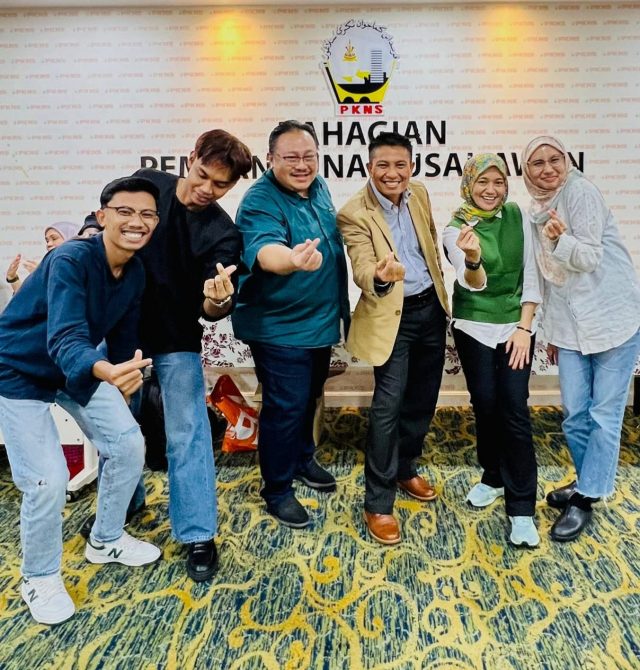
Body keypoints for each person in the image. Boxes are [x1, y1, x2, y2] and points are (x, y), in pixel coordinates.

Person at [0, 176, 162, 625]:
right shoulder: (70, 258)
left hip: (76, 368)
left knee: (127, 444)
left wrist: (128, 370)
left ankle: (106, 538)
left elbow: (125, 334)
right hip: (20, 369)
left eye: (147, 214)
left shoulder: (135, 271)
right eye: (125, 211)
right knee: (47, 480)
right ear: (103, 216)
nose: (136, 221)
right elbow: (66, 335)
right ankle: (39, 576)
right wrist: (105, 370)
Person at [129, 129, 252, 581]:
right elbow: (103, 221)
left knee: (188, 434)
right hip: (121, 330)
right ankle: (123, 504)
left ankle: (199, 533)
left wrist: (219, 300)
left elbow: (212, 308)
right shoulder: (147, 184)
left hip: (176, 336)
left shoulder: (223, 233)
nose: (206, 190)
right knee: (118, 428)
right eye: (202, 175)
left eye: (220, 185)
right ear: (191, 157)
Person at [231, 120, 350, 528]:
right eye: (291, 157)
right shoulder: (259, 200)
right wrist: (292, 260)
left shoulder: (319, 187)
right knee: (285, 408)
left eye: (309, 156)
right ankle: (277, 489)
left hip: (319, 322)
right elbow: (265, 251)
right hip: (281, 327)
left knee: (308, 397)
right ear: (270, 159)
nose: (302, 165)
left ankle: (302, 459)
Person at [522, 135, 640, 541]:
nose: (547, 168)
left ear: (567, 160)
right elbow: (550, 281)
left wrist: (560, 240)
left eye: (554, 159)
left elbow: (588, 257)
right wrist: (553, 331)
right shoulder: (536, 209)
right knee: (574, 413)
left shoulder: (581, 192)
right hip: (572, 328)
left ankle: (585, 497)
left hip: (612, 321)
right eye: (537, 163)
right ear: (526, 171)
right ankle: (587, 479)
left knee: (604, 416)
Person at [337, 131, 449, 545]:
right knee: (387, 407)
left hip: (430, 309)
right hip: (392, 317)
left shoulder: (419, 194)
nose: (392, 173)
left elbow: (429, 246)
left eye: (400, 164)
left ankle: (405, 469)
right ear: (369, 167)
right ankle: (378, 503)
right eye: (382, 165)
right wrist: (381, 277)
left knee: (423, 399)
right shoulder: (354, 213)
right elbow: (362, 267)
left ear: (411, 166)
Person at [442, 154, 541, 548]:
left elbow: (532, 275)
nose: (491, 189)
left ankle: (522, 508)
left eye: (498, 181)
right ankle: (494, 475)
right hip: (474, 325)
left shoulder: (517, 216)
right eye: (483, 181)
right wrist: (473, 258)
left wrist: (524, 327)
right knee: (484, 402)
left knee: (514, 407)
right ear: (469, 184)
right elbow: (475, 283)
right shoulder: (455, 228)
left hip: (516, 327)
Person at [5, 221, 80, 294]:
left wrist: (43, 276)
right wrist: (12, 278)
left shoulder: (82, 268)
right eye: (47, 241)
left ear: (71, 239)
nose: (49, 244)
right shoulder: (51, 269)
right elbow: (28, 299)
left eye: (54, 238)